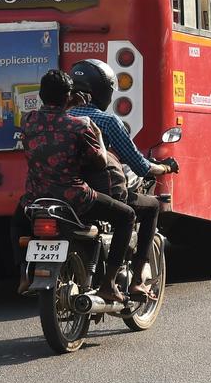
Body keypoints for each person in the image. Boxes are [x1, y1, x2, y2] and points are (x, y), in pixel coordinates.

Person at [15, 69, 136, 303]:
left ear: (40, 95)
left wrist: (66, 104)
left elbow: (50, 120)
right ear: (69, 96)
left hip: (35, 199)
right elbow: (100, 162)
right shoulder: (79, 126)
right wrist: (99, 136)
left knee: (17, 222)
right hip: (74, 199)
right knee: (127, 216)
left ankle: (23, 274)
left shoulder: (28, 121)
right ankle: (108, 284)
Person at [69, 59, 177, 301]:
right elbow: (139, 166)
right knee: (148, 208)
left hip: (64, 192)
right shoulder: (106, 122)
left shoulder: (61, 120)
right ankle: (134, 280)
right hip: (99, 193)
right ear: (103, 92)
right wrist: (164, 167)